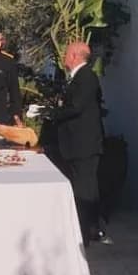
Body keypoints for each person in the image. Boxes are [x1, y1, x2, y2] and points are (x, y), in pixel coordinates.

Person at [49, 41, 107, 247]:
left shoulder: (86, 77)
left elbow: (76, 107)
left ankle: (86, 230)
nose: (64, 56)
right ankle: (88, 228)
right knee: (84, 186)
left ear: (74, 55)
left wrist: (52, 114)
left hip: (84, 144)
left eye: (66, 53)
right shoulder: (77, 78)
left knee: (85, 188)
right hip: (77, 144)